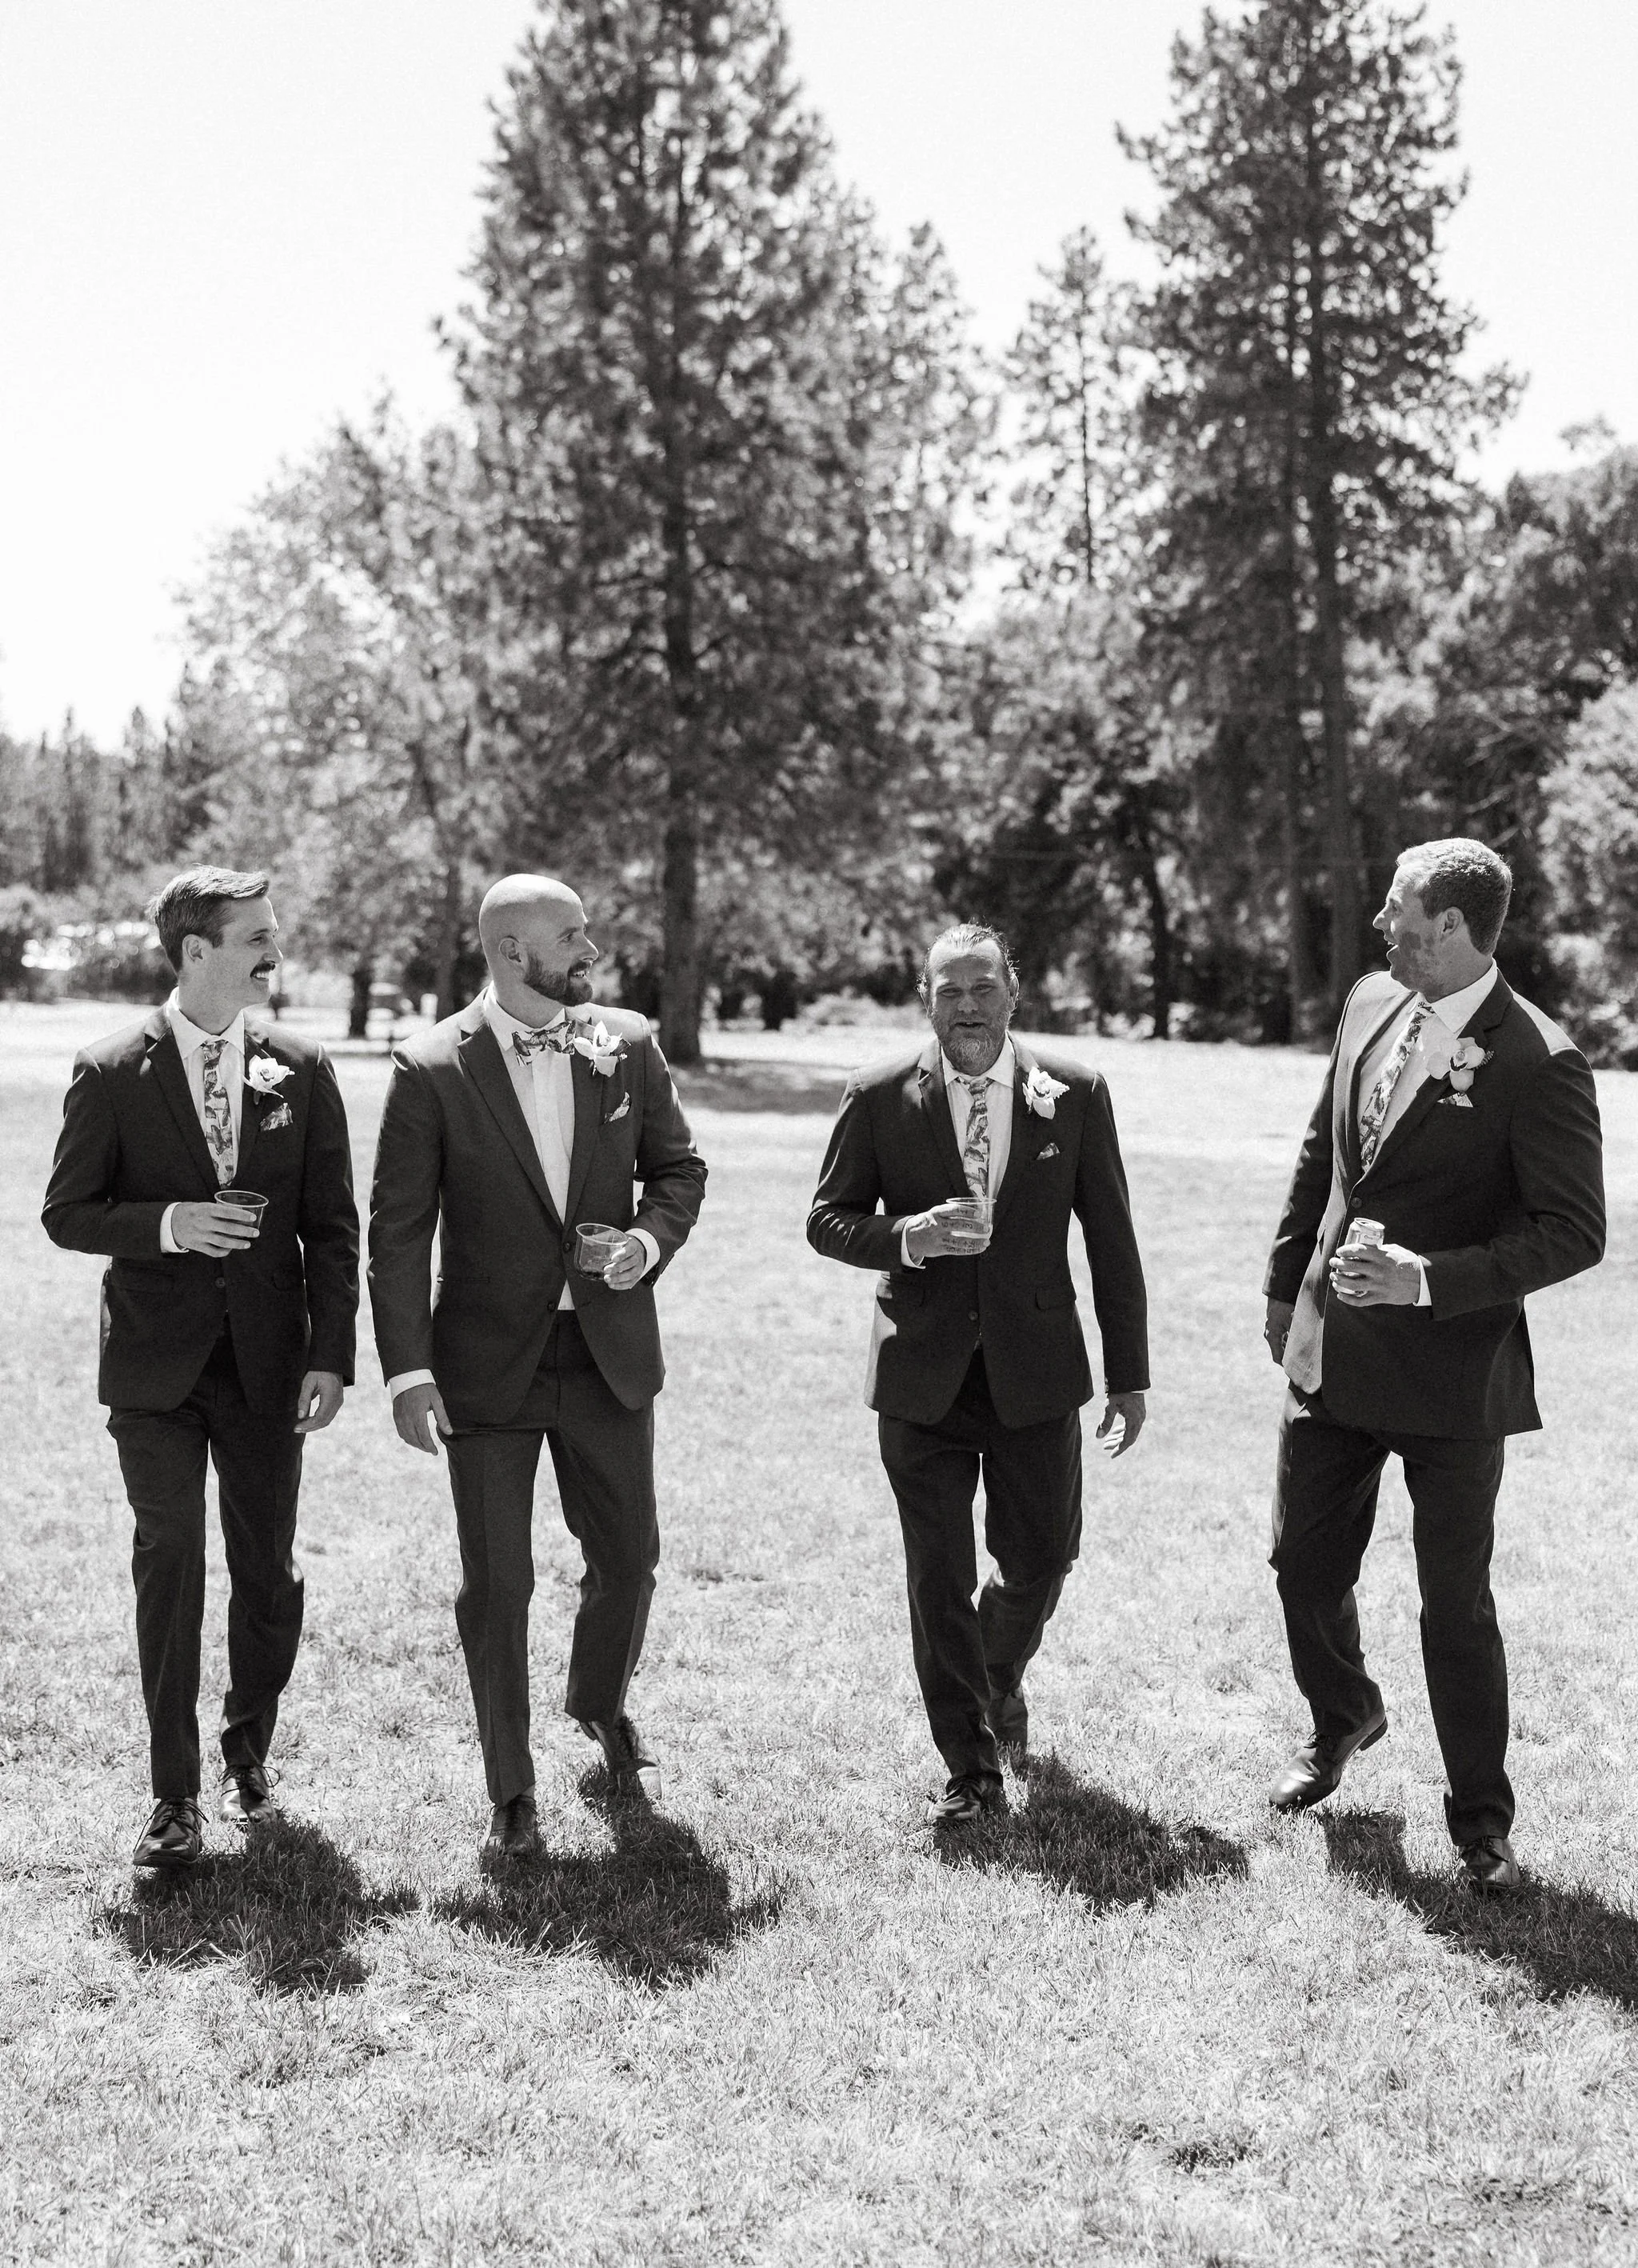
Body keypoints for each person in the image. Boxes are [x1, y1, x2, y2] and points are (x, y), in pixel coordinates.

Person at [1263, 838, 1604, 1892]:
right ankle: (1344, 1714)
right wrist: (1285, 1287)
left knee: (1454, 1603)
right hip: (1339, 1354)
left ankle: (1481, 1824)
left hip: (1455, 1376)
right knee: (1302, 1564)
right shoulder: (1372, 1001)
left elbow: (1574, 1231)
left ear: (1453, 926)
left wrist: (1429, 1280)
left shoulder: (1539, 1059)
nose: (1383, 930)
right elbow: (1325, 1151)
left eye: (1402, 914)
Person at [369, 874, 706, 1857]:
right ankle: (510, 1789)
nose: (590, 951)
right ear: (513, 953)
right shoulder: (430, 1066)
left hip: (606, 1351)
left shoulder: (626, 1046)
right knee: (498, 1583)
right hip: (484, 1365)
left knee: (629, 1562)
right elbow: (398, 1233)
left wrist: (644, 1244)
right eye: (571, 937)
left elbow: (677, 1170)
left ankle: (597, 1703)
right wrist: (406, 1372)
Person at [42, 867, 358, 1870]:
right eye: (255, 936)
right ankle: (173, 1796)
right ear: (194, 953)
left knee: (267, 1569)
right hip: (153, 1369)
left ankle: (248, 1752)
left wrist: (332, 1356)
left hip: (269, 1367)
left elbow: (332, 1230)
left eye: (274, 931)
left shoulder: (302, 1070)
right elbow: (67, 1213)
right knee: (169, 1560)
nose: (275, 950)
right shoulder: (107, 1070)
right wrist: (171, 1226)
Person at [807, 922, 1149, 1826]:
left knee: (1040, 1559)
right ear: (925, 999)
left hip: (1035, 1369)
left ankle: (996, 1674)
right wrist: (908, 1236)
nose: (966, 1006)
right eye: (948, 990)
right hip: (919, 1373)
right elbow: (828, 1220)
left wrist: (1129, 1374)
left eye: (982, 988)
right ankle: (970, 1769)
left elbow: (1109, 1239)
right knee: (937, 1575)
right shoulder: (877, 1093)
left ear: (1013, 992)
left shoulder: (1071, 1093)